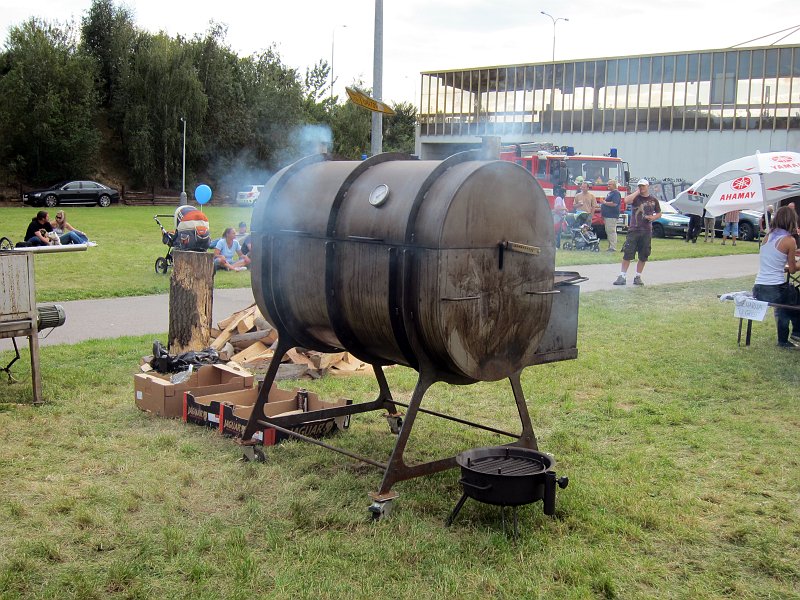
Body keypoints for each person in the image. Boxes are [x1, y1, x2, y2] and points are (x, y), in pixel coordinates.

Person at [752, 206, 800, 349]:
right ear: (791, 221)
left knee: (785, 305)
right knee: (795, 298)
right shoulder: (789, 240)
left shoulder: (767, 237)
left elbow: (776, 259)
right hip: (775, 289)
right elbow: (792, 269)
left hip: (759, 288)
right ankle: (797, 332)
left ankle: (784, 341)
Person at [613, 179, 662, 286]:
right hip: (634, 229)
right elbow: (626, 200)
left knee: (644, 254)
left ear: (647, 186)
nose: (642, 188)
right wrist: (637, 192)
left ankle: (638, 276)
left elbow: (659, 213)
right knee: (628, 253)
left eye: (643, 186)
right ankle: (622, 276)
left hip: (646, 230)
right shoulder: (636, 198)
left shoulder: (653, 199)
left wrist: (653, 218)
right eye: (640, 186)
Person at [600, 179, 621, 252]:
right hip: (607, 215)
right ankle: (610, 246)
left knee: (611, 231)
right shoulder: (610, 193)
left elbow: (615, 204)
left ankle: (613, 247)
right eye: (608, 184)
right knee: (608, 231)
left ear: (614, 185)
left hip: (612, 216)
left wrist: (604, 202)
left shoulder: (616, 193)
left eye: (610, 184)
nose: (608, 185)